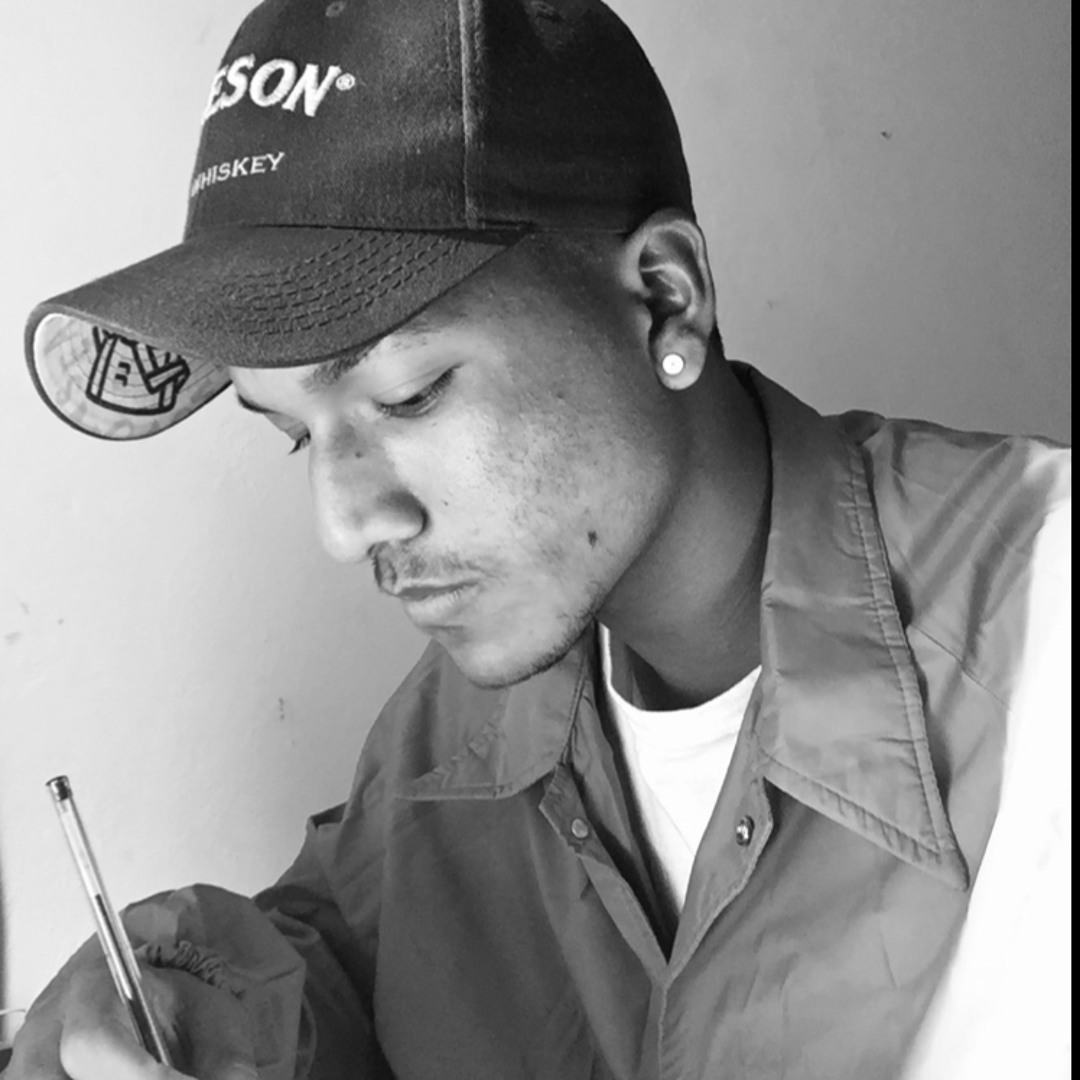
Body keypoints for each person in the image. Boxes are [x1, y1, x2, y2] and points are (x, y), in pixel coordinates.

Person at [8, 0, 1070, 1077]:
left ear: (665, 297)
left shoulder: (1045, 632)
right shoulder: (450, 731)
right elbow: (344, 965)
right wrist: (170, 997)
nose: (344, 524)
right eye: (295, 436)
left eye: (410, 395)